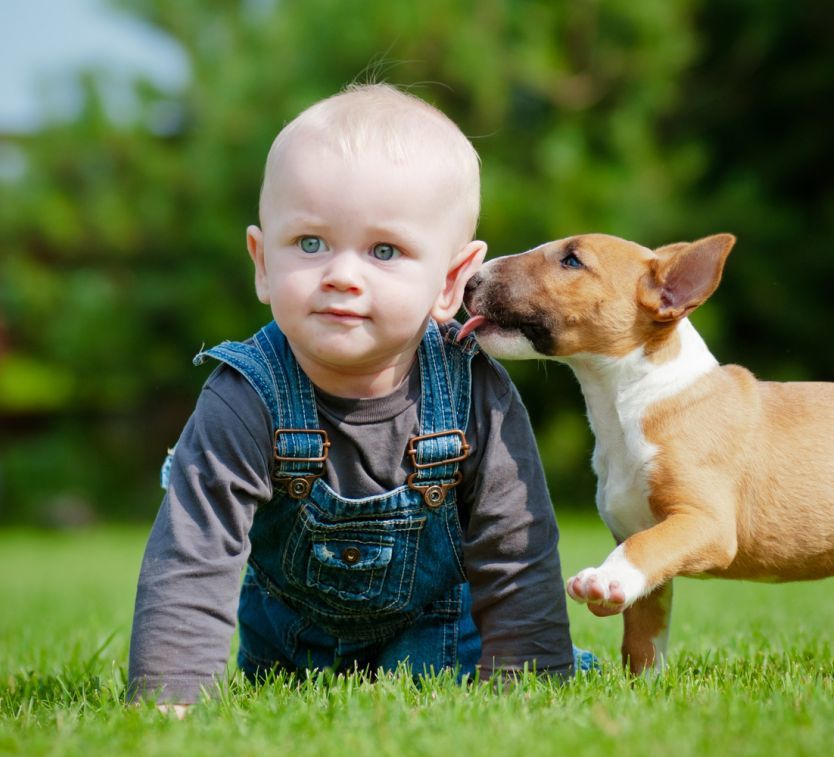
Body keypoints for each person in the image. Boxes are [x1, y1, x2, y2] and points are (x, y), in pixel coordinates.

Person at [128, 83, 583, 708]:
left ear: (451, 281)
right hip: (291, 662)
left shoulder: (474, 390)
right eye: (310, 244)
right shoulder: (244, 396)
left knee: (541, 664)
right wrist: (170, 700)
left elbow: (516, 552)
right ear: (262, 263)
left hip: (443, 647)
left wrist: (532, 685)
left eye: (384, 251)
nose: (341, 275)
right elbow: (194, 553)